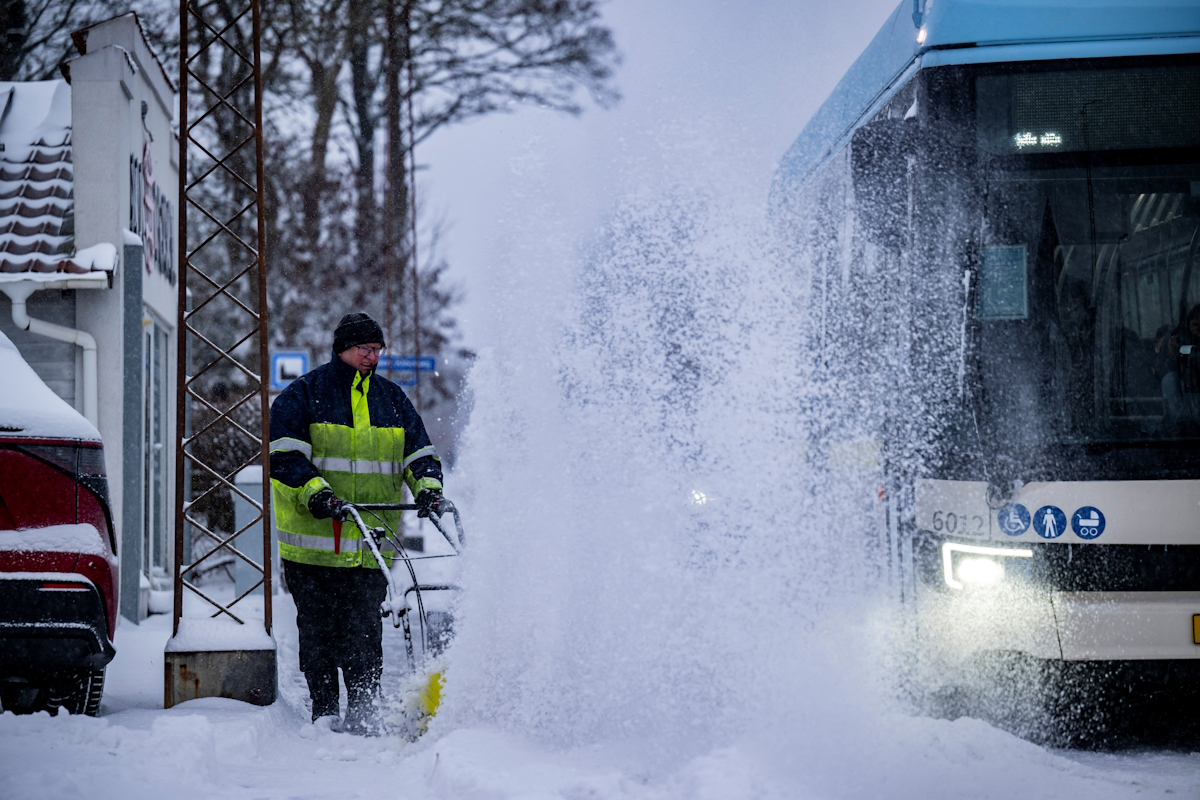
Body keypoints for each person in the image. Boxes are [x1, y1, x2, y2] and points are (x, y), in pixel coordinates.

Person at [269, 312, 444, 732]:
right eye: (365, 349)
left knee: (364, 635)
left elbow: (419, 453)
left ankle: (364, 713)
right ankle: (325, 713)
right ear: (343, 349)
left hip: (369, 546)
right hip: (314, 545)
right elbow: (285, 458)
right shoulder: (304, 395)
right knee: (318, 636)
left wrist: (428, 489)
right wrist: (318, 494)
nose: (372, 357)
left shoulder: (392, 400)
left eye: (377, 350)